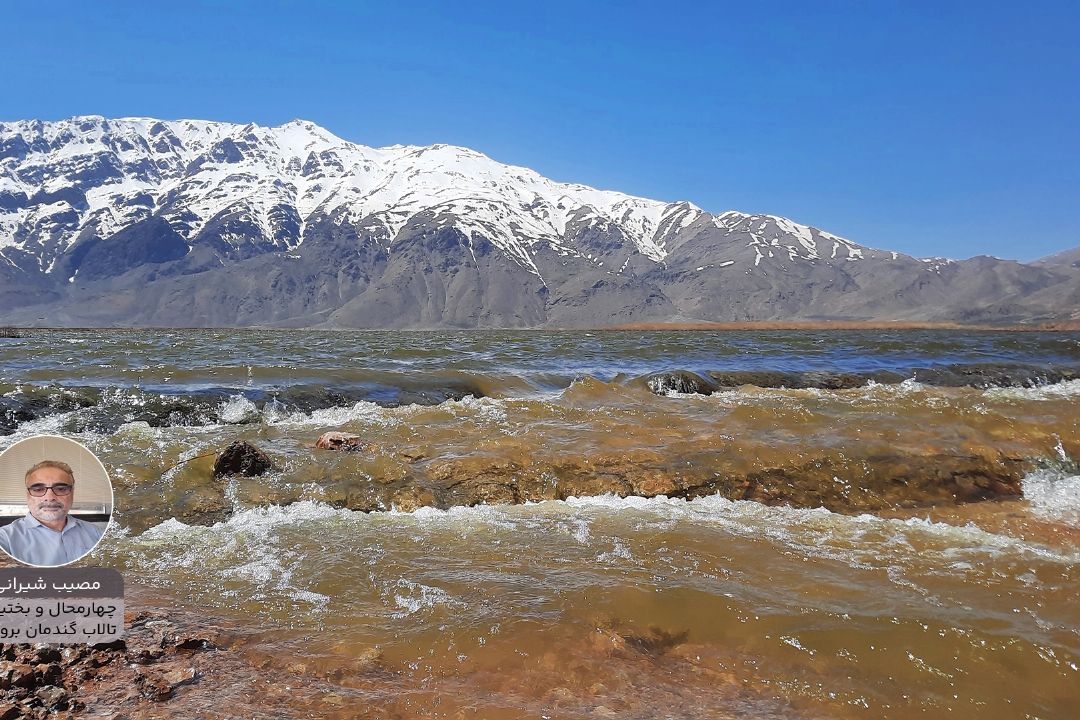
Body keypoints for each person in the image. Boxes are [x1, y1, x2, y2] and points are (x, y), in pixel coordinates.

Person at [0, 460, 103, 566]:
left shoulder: (96, 533)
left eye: (61, 489)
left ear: (72, 493)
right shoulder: (5, 539)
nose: (50, 498)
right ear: (28, 495)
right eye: (38, 489)